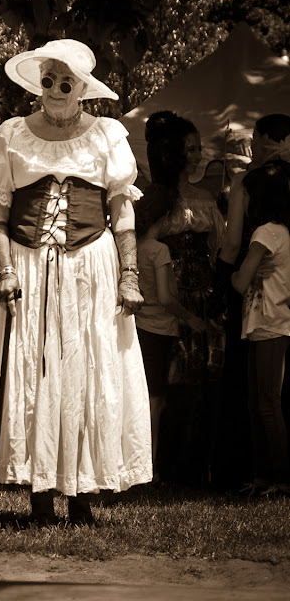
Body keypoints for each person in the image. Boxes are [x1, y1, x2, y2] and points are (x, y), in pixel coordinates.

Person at [0, 39, 152, 525]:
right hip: (28, 265)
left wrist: (129, 276)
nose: (54, 89)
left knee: (87, 370)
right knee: (34, 371)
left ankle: (84, 497)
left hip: (90, 264)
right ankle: (40, 495)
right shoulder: (12, 133)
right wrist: (5, 270)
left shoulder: (108, 134)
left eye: (64, 82)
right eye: (47, 80)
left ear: (82, 89)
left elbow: (122, 207)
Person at [209, 113, 290, 488]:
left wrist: (222, 288)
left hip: (258, 293)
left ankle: (258, 471)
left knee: (256, 389)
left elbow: (231, 243)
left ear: (266, 139)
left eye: (256, 139)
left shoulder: (246, 183)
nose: (252, 147)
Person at [145, 110, 225, 486]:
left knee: (196, 385)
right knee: (165, 384)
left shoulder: (207, 198)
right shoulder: (161, 196)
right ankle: (160, 465)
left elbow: (218, 248)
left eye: (198, 148)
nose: (195, 155)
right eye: (188, 148)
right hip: (167, 297)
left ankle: (190, 468)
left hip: (201, 298)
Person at [134, 184, 206, 481]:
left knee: (140, 397)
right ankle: (148, 466)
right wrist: (191, 319)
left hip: (138, 326)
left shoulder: (132, 246)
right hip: (160, 329)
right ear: (163, 218)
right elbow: (165, 297)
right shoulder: (159, 250)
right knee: (155, 401)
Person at [231, 161, 290, 496]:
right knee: (260, 404)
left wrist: (235, 274)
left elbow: (240, 281)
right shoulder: (283, 231)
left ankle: (277, 480)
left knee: (266, 405)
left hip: (269, 323)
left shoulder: (266, 232)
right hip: (268, 324)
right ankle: (263, 478)